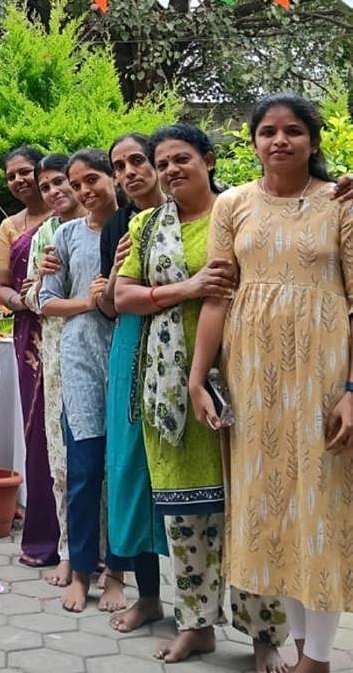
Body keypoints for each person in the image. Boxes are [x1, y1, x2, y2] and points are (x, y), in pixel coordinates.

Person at [191, 96, 353, 673]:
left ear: (313, 141)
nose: (279, 140)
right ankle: (305, 653)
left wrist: (352, 391)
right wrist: (198, 378)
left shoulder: (342, 204)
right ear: (254, 141)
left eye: (293, 131)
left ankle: (319, 659)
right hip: (253, 377)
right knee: (277, 513)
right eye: (267, 131)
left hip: (323, 376)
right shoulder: (233, 204)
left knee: (319, 511)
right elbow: (217, 296)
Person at [117, 123, 286, 671]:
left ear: (209, 160)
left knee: (249, 511)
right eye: (162, 162)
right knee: (187, 519)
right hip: (170, 391)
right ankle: (196, 626)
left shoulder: (242, 213)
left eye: (181, 158)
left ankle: (264, 636)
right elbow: (123, 296)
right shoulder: (146, 225)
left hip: (242, 378)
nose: (170, 170)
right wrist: (186, 289)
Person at [39, 148, 128, 614]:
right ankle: (80, 571)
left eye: (91, 179)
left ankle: (117, 574)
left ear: (113, 177)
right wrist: (88, 303)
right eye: (76, 185)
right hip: (80, 360)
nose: (84, 191)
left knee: (123, 472)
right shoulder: (67, 235)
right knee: (84, 470)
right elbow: (46, 301)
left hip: (128, 354)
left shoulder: (135, 225)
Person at [101, 134, 167, 637]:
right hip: (129, 347)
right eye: (119, 166)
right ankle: (149, 597)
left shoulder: (203, 211)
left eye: (138, 161)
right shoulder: (119, 225)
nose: (129, 173)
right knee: (130, 471)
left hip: (186, 344)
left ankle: (209, 610)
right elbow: (109, 305)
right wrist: (111, 280)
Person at [0, 145, 60, 568]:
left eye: (25, 172)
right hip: (29, 332)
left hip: (67, 324)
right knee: (37, 433)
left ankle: (86, 543)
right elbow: (1, 286)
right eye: (11, 175)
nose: (19, 180)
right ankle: (42, 539)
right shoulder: (10, 226)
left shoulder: (65, 215)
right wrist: (24, 300)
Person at [23, 153, 83, 587]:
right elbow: (31, 298)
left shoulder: (108, 224)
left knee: (99, 461)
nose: (54, 191)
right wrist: (43, 280)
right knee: (60, 458)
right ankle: (67, 552)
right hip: (58, 355)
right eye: (45, 187)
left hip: (102, 349)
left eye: (60, 181)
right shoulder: (45, 234)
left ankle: (106, 558)